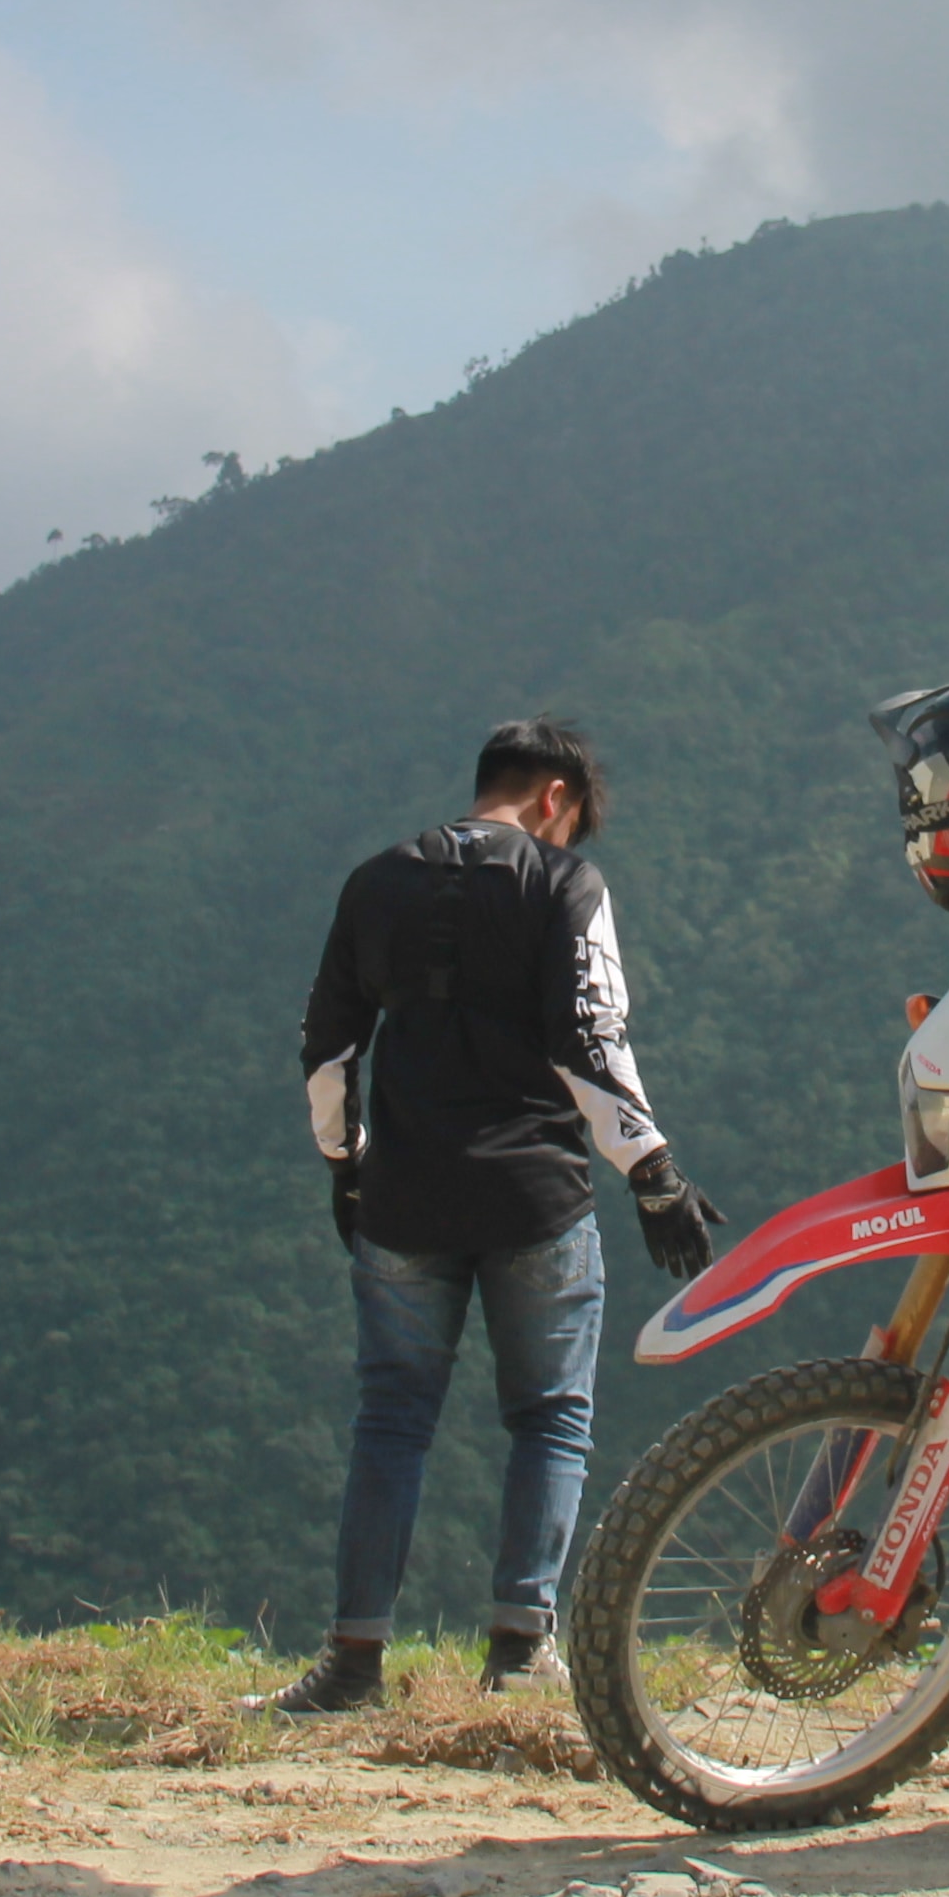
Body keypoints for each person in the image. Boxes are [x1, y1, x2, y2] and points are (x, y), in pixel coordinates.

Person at [262, 719, 720, 1713]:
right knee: (551, 1423)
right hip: (536, 1198)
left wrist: (348, 1169)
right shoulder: (565, 887)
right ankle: (518, 1654)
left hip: (405, 1197)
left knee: (390, 1422)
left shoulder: (375, 880)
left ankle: (350, 1666)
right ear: (554, 798)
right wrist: (653, 1173)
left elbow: (328, 1049)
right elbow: (590, 1039)